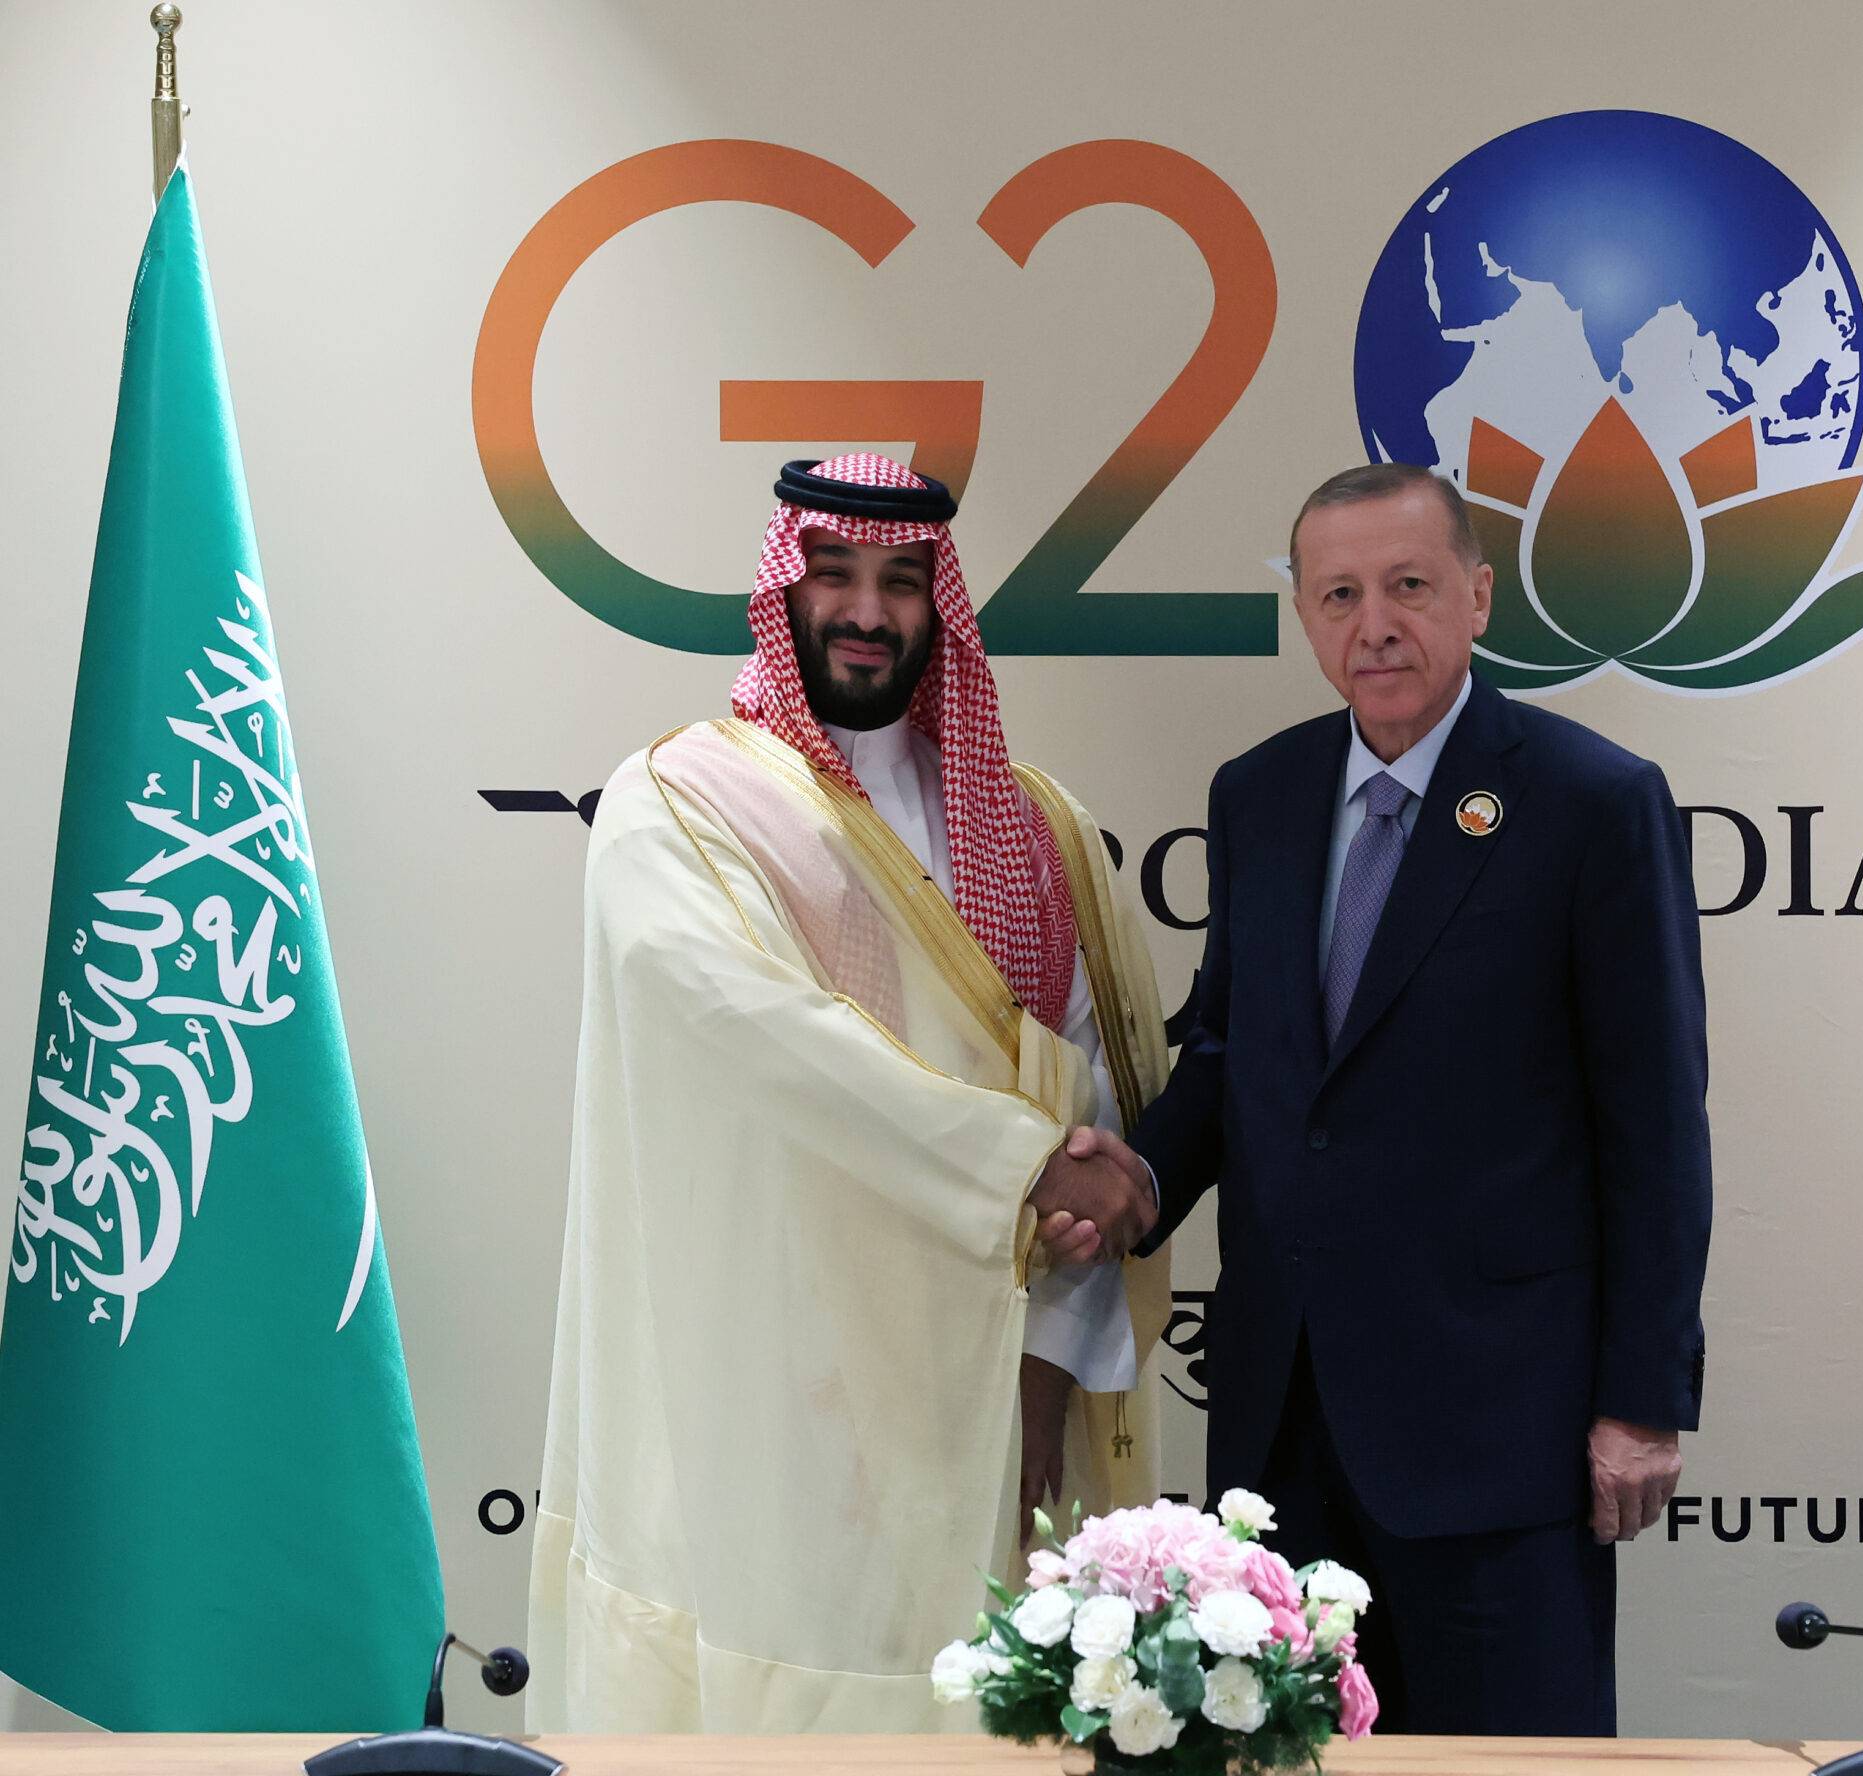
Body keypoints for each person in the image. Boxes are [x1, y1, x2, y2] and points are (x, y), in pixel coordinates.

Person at [527, 454, 1165, 1732]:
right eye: (835, 573)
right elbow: (764, 1041)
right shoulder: (680, 802)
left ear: (942, 607)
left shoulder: (1037, 831)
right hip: (764, 1389)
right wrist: (1017, 1164)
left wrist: (1043, 1374)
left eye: (901, 581)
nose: (867, 611)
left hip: (980, 1396)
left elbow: (1084, 1103)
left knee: (979, 1707)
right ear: (785, 588)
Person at [1086, 461, 1712, 1736]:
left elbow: (1653, 1123)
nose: (1373, 624)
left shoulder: (1591, 802)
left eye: (1408, 586)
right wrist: (1138, 1179)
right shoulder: (1257, 795)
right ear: (1306, 617)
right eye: (1338, 595)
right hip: (1281, 1426)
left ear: (1476, 598)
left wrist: (1643, 1400)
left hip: (1497, 1434)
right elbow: (1233, 1052)